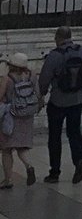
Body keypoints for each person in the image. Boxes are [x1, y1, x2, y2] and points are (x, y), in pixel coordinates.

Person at [38, 26, 82, 184]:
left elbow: (44, 80)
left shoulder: (54, 56)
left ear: (58, 37)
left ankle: (54, 172)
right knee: (74, 132)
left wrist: (41, 96)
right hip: (77, 99)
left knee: (54, 136)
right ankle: (79, 160)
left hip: (58, 101)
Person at [0, 53, 40, 189]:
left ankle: (8, 180)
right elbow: (38, 94)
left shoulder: (8, 79)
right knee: (22, 147)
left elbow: (0, 96)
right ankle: (29, 165)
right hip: (27, 116)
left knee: (6, 149)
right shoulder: (32, 75)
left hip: (11, 116)